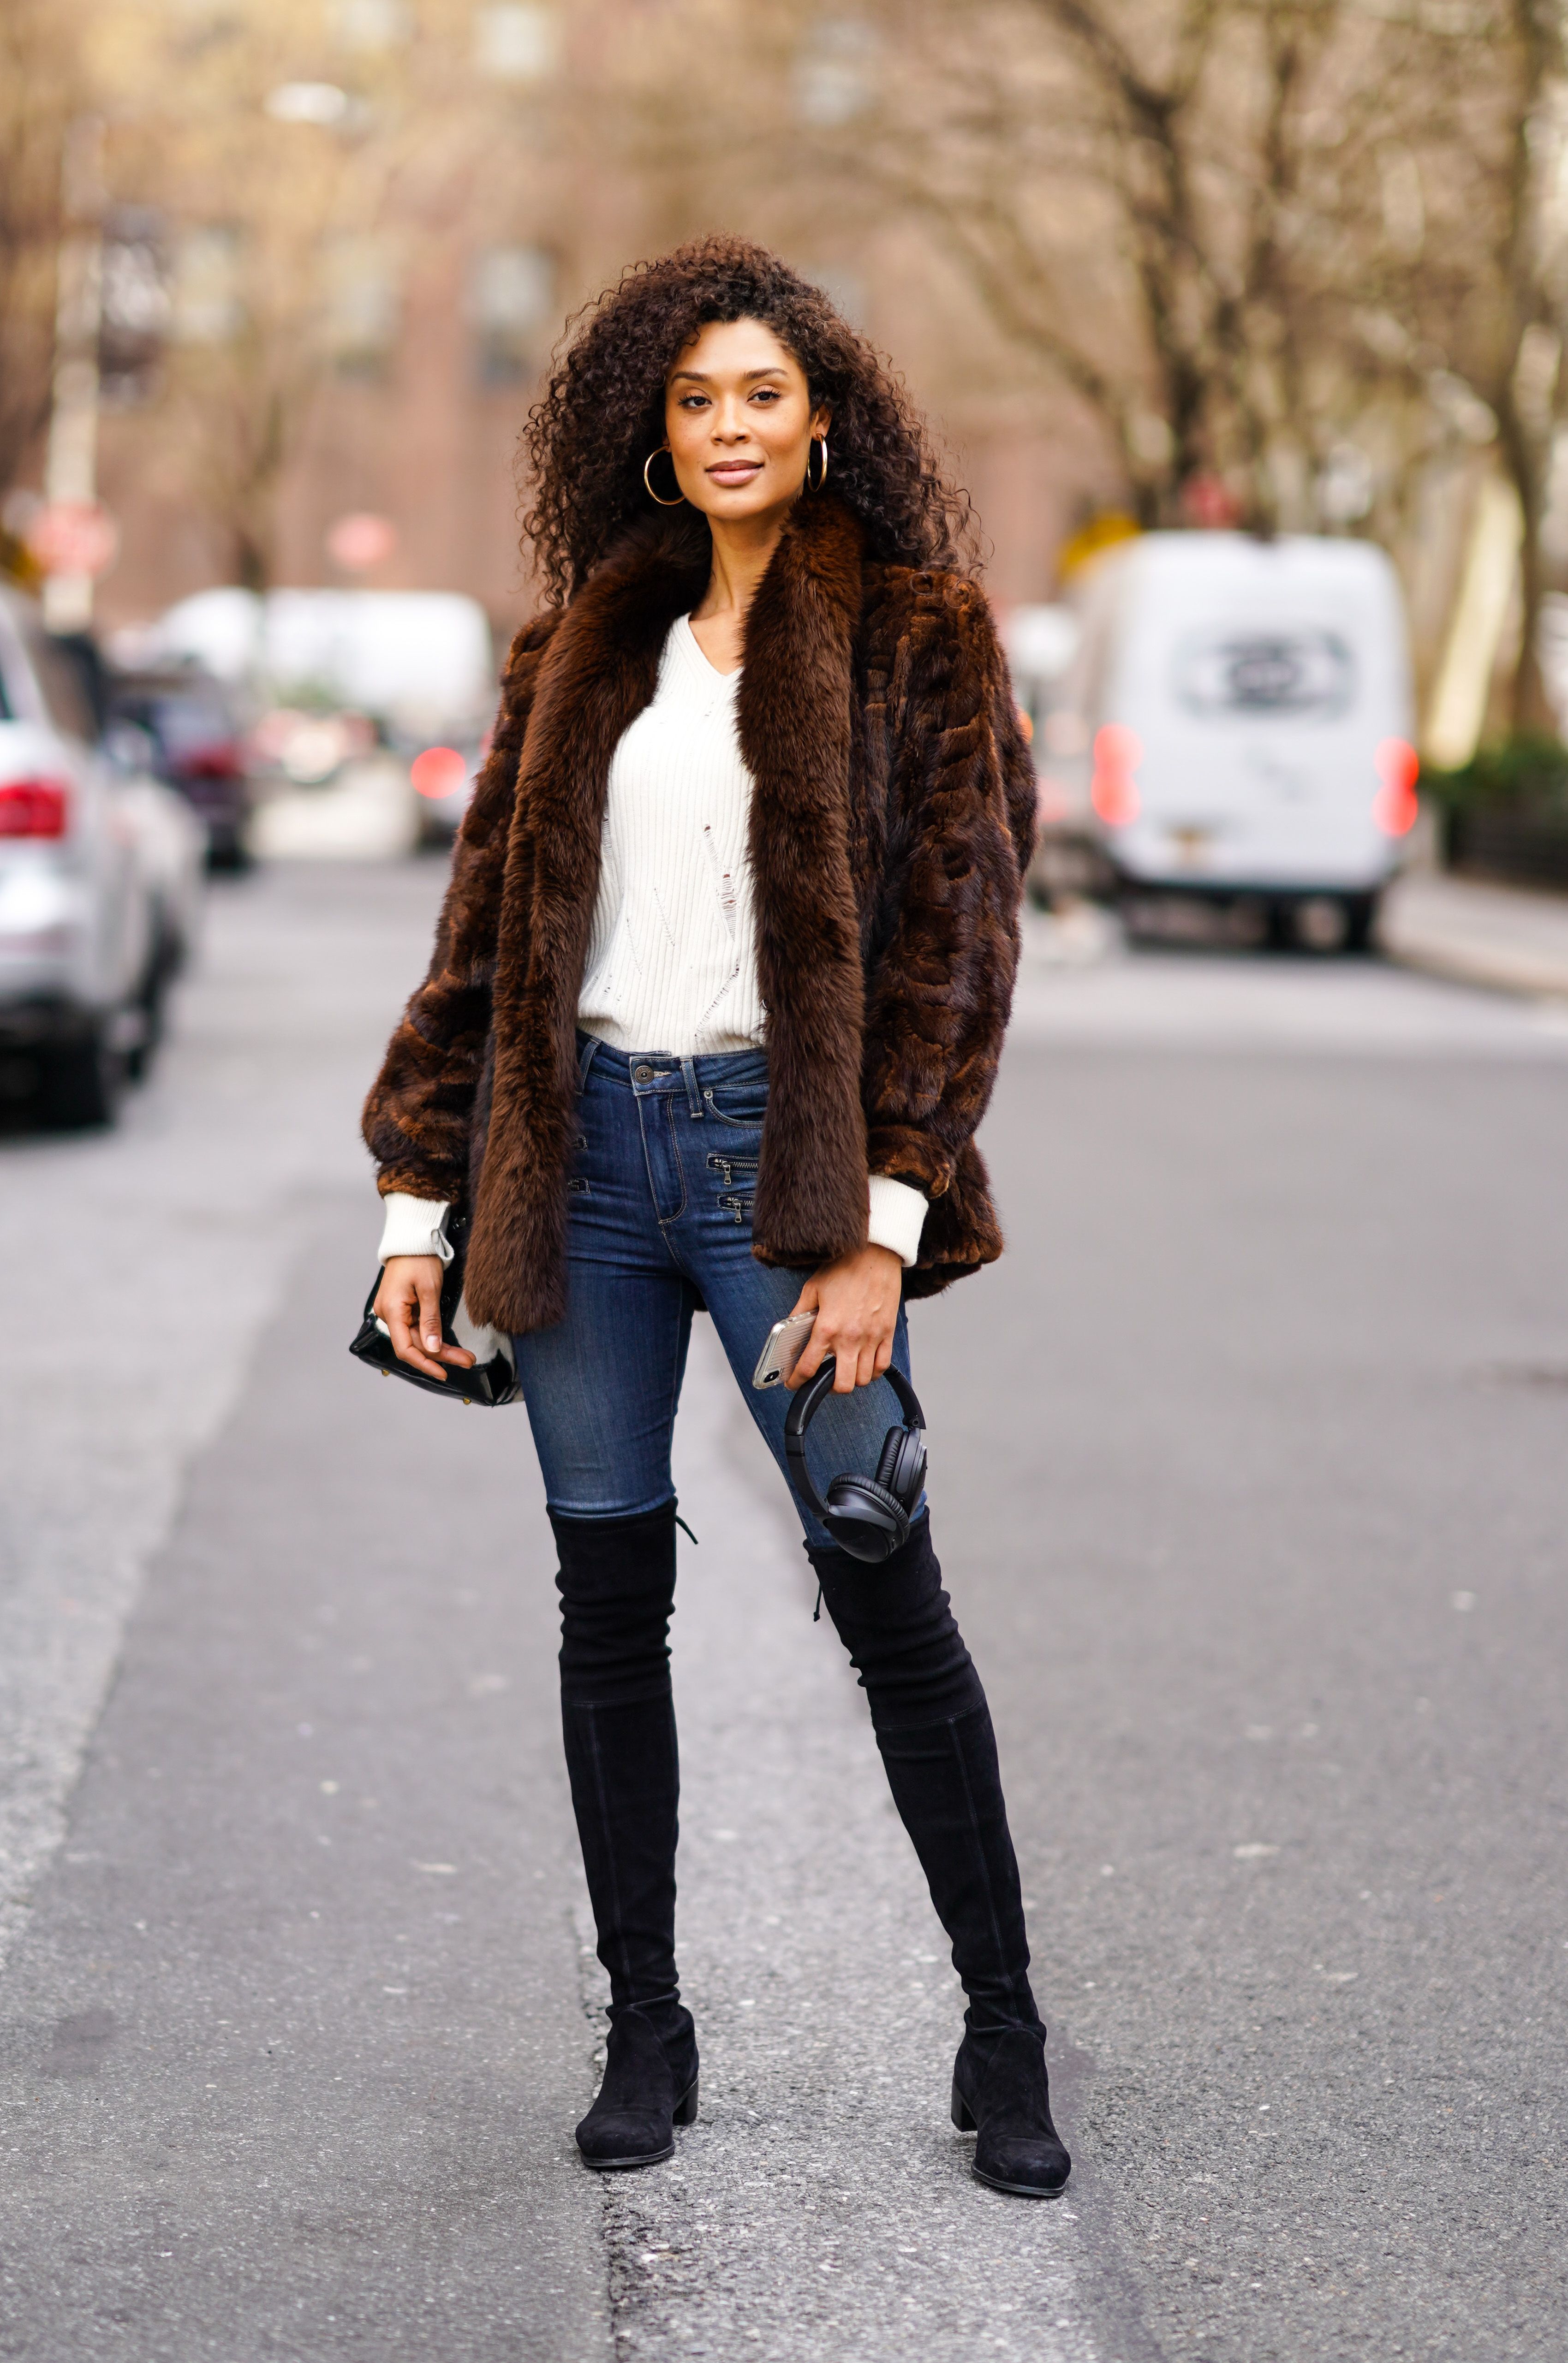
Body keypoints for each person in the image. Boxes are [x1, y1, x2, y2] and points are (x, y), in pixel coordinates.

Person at [363, 235, 1069, 2201]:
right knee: (610, 1613)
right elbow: (479, 947)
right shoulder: (579, 648)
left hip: (792, 1165)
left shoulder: (919, 633)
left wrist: (883, 1226)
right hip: (575, 1165)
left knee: (884, 1590)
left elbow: (956, 941)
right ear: (648, 438)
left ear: (819, 411)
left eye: (761, 391)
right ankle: (643, 2028)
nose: (731, 424)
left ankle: (1000, 2031)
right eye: (693, 398)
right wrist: (414, 1206)